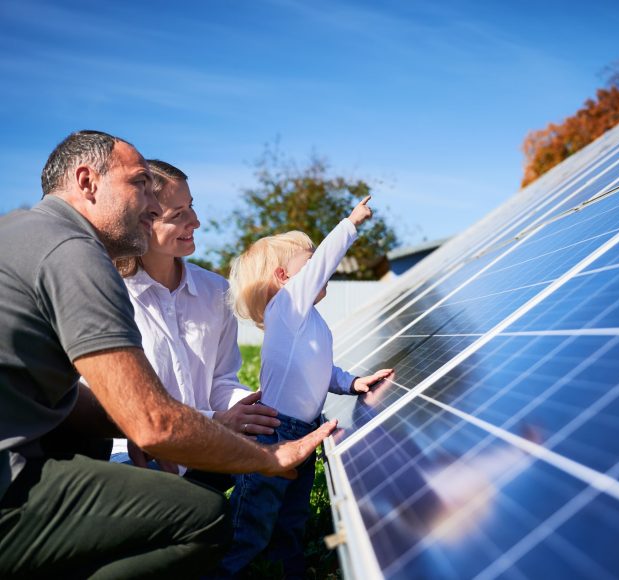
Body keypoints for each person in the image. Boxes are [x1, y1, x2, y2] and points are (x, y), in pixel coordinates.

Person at [0, 130, 336, 578]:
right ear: (87, 182)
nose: (150, 204)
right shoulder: (78, 258)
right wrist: (266, 457)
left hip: (135, 446)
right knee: (207, 516)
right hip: (44, 474)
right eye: (139, 185)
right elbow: (149, 422)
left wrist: (236, 417)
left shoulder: (23, 233)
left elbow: (76, 400)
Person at [217, 195, 393, 577]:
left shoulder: (310, 320)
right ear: (284, 277)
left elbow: (321, 370)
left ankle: (290, 570)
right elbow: (327, 260)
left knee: (291, 516)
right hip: (275, 432)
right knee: (252, 521)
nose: (319, 269)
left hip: (305, 432)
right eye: (309, 264)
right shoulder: (288, 308)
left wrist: (352, 383)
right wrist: (351, 223)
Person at [111, 159, 281, 490]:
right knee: (187, 506)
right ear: (143, 221)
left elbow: (221, 380)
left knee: (280, 444)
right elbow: (116, 404)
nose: (196, 222)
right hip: (137, 454)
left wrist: (251, 409)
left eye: (191, 207)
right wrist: (216, 422)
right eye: (178, 215)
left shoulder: (215, 291)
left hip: (207, 449)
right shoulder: (112, 295)